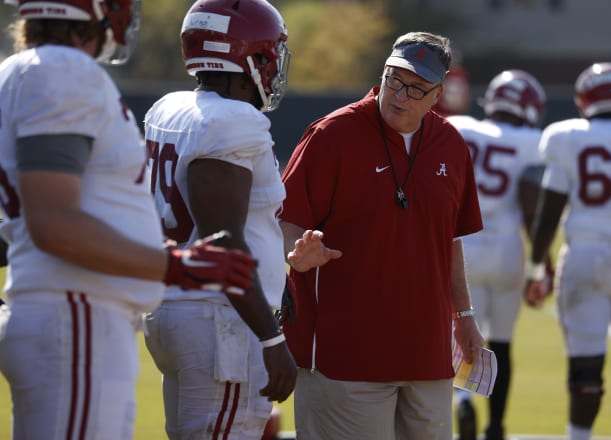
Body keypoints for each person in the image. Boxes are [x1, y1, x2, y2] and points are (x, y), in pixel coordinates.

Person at [0, 1, 258, 439]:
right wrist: (176, 265)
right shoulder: (64, 70)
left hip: (61, 312)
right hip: (76, 314)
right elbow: (53, 222)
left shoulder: (20, 71)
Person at [278, 31, 486, 440]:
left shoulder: (450, 144)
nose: (400, 95)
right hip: (345, 356)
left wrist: (464, 317)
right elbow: (287, 221)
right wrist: (296, 255)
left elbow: (449, 240)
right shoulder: (331, 135)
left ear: (437, 94)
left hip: (427, 357)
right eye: (394, 79)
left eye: (416, 88)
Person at [141, 0, 297, 438]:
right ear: (251, 57)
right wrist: (271, 338)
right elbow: (223, 239)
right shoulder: (232, 120)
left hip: (173, 308)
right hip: (222, 320)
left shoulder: (168, 107)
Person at [524, 62, 611, 440]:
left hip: (584, 255)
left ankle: (579, 437)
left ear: (584, 100)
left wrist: (537, 270)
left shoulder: (566, 136)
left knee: (585, 365)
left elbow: (548, 215)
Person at [446, 69, 547, 440]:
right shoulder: (535, 140)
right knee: (502, 342)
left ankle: (462, 403)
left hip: (464, 245)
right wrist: (544, 265)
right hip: (508, 248)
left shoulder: (459, 126)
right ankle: (496, 427)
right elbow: (536, 203)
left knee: (461, 336)